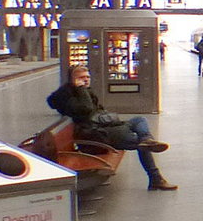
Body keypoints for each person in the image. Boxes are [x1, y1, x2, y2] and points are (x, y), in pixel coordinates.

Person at [47, 65, 179, 191]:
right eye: (81, 78)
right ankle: (155, 178)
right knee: (142, 145)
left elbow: (97, 112)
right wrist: (81, 89)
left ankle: (147, 139)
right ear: (73, 81)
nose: (86, 80)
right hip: (96, 136)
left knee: (140, 120)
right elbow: (86, 109)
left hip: (103, 129)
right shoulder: (70, 98)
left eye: (87, 77)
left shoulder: (84, 93)